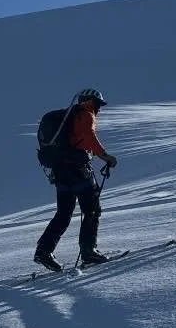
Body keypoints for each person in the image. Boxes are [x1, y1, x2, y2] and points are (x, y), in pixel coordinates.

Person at [34, 88, 118, 272]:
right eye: (98, 104)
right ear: (89, 101)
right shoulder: (85, 114)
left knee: (63, 214)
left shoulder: (66, 118)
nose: (99, 109)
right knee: (92, 209)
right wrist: (106, 157)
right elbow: (89, 138)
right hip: (78, 171)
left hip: (59, 172)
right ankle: (88, 252)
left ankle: (44, 251)